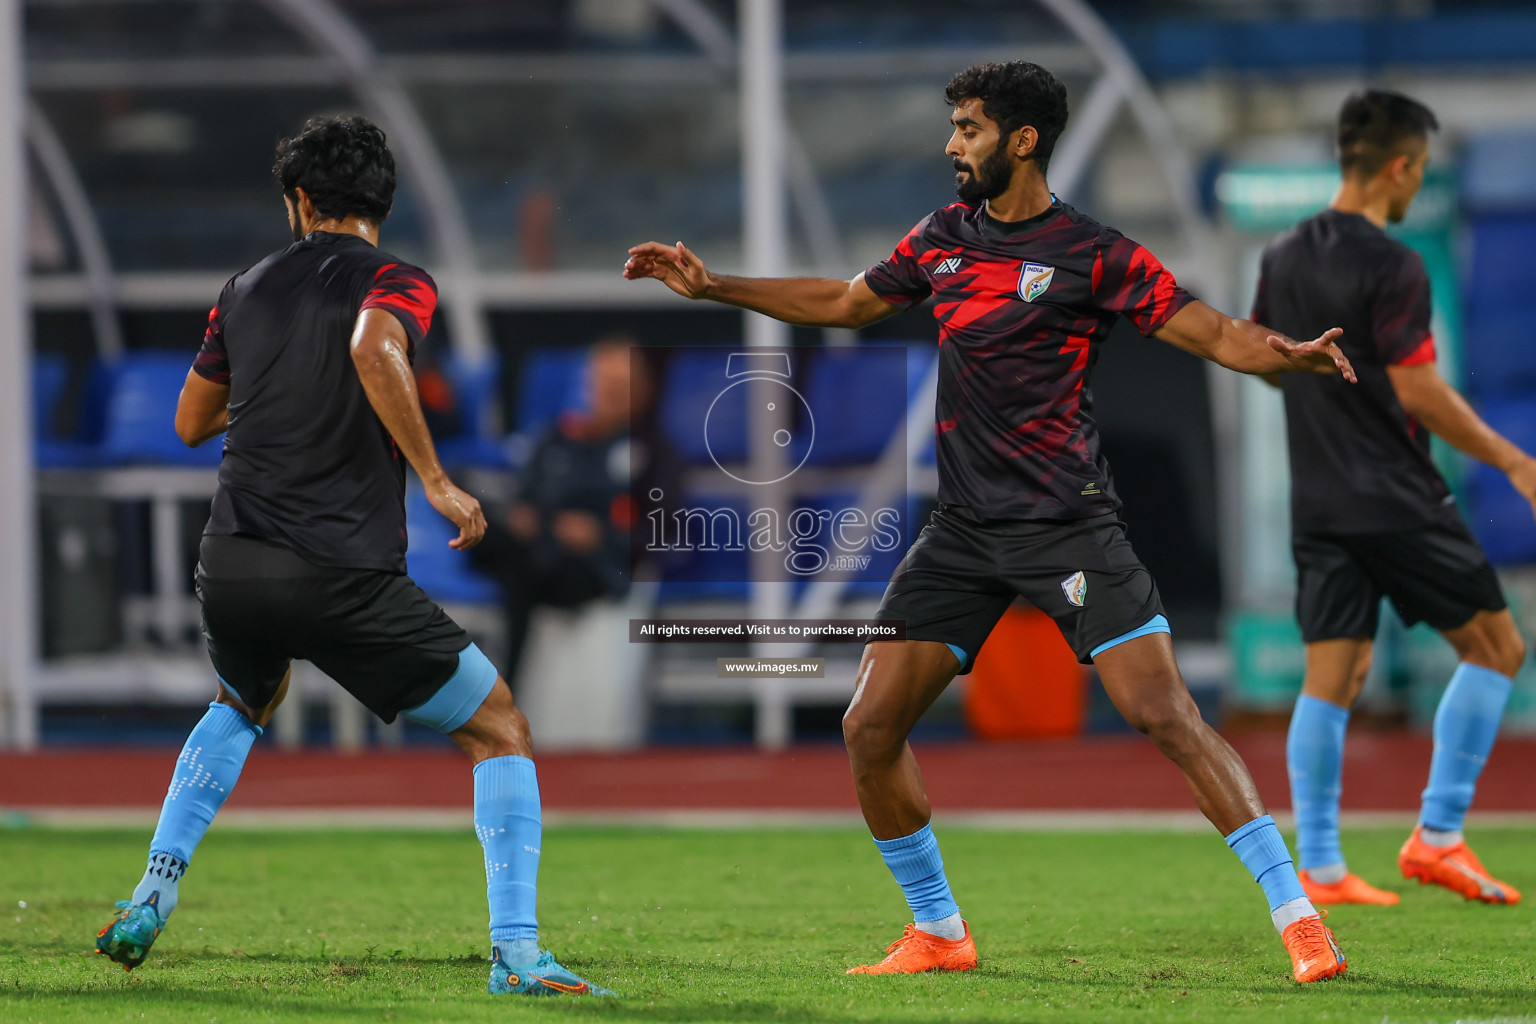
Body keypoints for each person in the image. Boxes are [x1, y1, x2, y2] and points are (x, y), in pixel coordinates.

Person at [626, 61, 1357, 984]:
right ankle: (939, 929)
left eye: (967, 128)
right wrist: (714, 285)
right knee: (868, 726)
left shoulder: (1094, 253)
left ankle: (1298, 918)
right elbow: (849, 302)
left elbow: (1207, 331)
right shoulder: (942, 239)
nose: (950, 145)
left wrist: (1282, 353)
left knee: (1163, 713)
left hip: (1068, 522)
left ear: (1022, 139)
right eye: (954, 127)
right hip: (963, 533)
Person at [93, 116, 612, 998]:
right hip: (336, 570)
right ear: (383, 202)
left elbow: (190, 421)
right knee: (499, 725)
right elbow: (375, 347)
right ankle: (518, 956)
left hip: (232, 563)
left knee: (241, 699)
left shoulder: (245, 286)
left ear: (300, 200)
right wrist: (439, 481)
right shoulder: (398, 281)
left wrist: (275, 384)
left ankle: (151, 892)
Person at [1256, 90, 1528, 908]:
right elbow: (1419, 392)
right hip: (1396, 497)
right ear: (1401, 166)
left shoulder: (1283, 255)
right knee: (1496, 648)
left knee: (1331, 678)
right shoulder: (1393, 264)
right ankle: (1438, 835)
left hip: (1320, 500)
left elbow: (1268, 359)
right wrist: (1517, 462)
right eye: (1419, 171)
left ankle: (1324, 865)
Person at [470, 337, 677, 685]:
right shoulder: (558, 439)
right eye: (603, 382)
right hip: (534, 553)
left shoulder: (657, 454)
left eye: (620, 385)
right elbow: (524, 495)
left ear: (642, 390)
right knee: (490, 530)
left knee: (526, 568)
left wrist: (600, 535)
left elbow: (663, 529)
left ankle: (505, 691)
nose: (608, 393)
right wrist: (533, 521)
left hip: (595, 569)